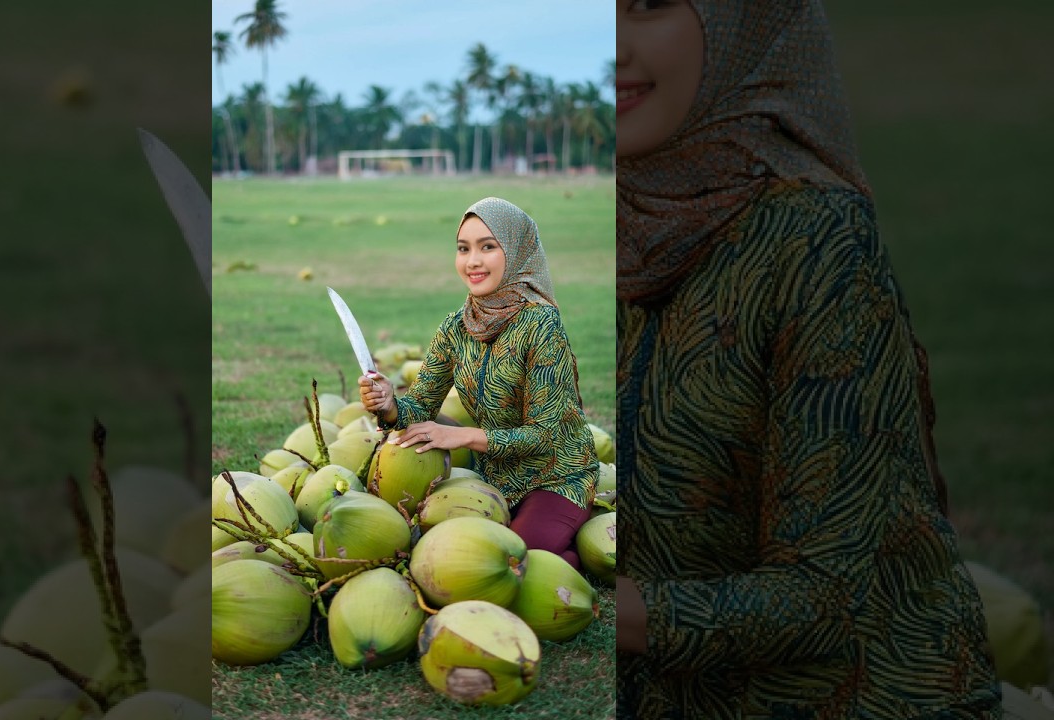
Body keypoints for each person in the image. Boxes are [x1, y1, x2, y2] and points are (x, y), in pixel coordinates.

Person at [615, 0, 1002, 717]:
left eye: (648, 5)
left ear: (746, 21)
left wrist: (588, 612)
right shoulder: (620, 229)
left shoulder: (816, 243)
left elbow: (821, 596)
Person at [358, 196, 599, 570]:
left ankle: (583, 547)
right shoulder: (456, 328)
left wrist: (465, 437)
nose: (472, 261)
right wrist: (389, 403)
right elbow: (420, 406)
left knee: (517, 560)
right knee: (467, 559)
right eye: (463, 248)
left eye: (488, 247)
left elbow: (544, 436)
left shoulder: (541, 326)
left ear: (517, 251)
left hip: (556, 475)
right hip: (494, 477)